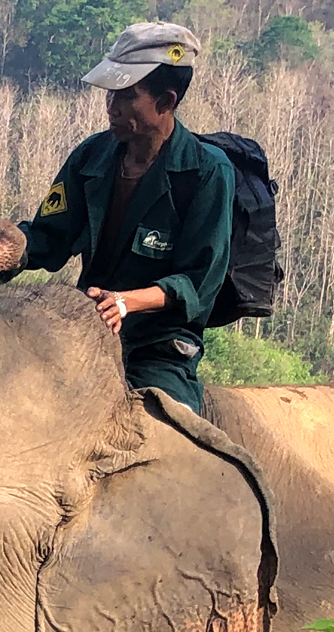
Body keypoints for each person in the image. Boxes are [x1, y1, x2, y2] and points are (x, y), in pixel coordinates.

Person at [17, 20, 233, 410]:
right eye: (110, 94)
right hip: (86, 332)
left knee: (162, 429)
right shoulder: (91, 156)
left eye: (127, 95)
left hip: (159, 349)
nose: (111, 107)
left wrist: (126, 302)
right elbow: (48, 239)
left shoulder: (207, 173)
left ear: (165, 102)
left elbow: (197, 284)